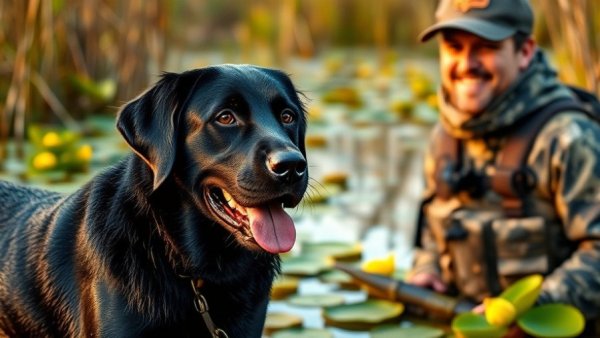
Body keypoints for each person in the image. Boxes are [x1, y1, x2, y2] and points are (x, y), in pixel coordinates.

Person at [406, 0, 600, 329]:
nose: (466, 64)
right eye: (454, 47)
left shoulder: (570, 137)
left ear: (524, 51)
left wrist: (528, 307)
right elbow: (431, 235)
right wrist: (427, 270)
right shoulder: (443, 137)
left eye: (486, 47)